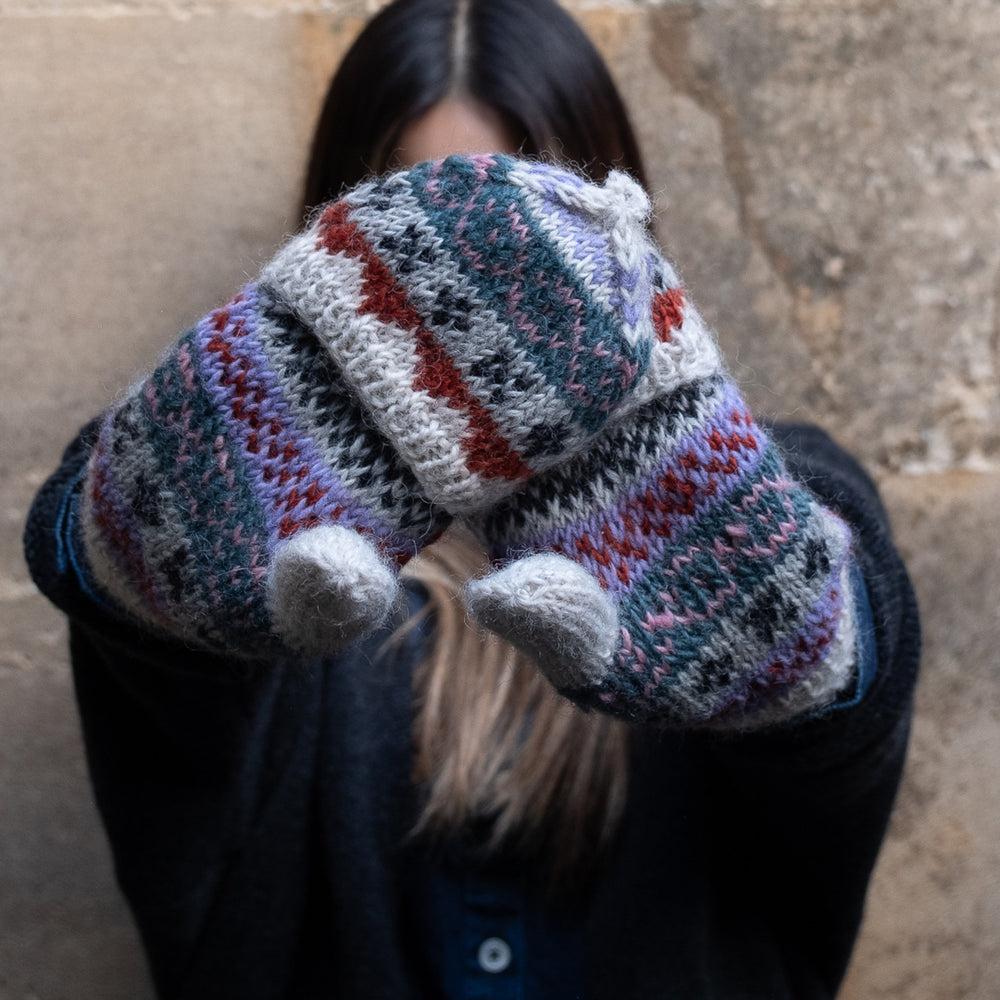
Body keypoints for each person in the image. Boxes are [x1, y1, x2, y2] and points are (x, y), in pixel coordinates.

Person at [23, 3, 920, 999]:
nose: (472, 286)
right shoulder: (264, 548)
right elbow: (114, 584)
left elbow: (851, 644)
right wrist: (137, 538)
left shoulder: (762, 501)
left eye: (526, 219)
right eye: (421, 220)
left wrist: (804, 642)